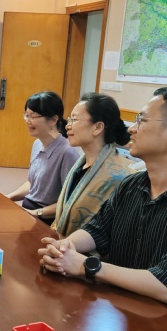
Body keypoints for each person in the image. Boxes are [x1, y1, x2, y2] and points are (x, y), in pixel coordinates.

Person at [38, 86, 167, 331]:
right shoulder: (132, 184)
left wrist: (87, 266)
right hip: (121, 316)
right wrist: (65, 247)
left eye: (142, 120)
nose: (131, 129)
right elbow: (97, 229)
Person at [53, 92, 136, 237]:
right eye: (69, 119)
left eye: (74, 119)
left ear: (97, 128)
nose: (68, 126)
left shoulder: (117, 176)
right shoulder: (81, 164)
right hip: (64, 244)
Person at [5, 91, 79, 223]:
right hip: (29, 210)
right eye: (26, 115)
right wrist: (9, 197)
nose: (28, 121)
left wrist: (36, 213)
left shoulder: (68, 152)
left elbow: (70, 201)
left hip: (47, 219)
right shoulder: (37, 143)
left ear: (53, 120)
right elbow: (32, 184)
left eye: (33, 116)